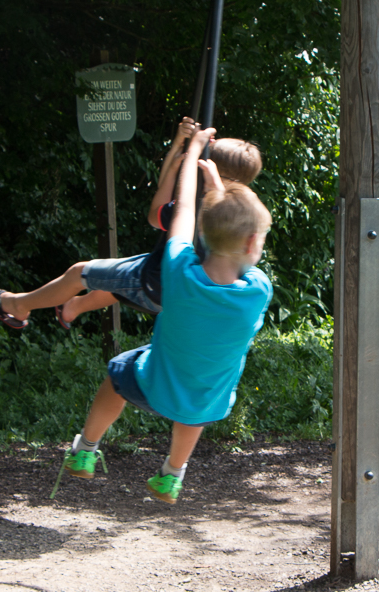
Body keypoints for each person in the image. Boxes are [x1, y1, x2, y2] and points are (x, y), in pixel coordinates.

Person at [56, 126, 273, 503]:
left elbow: (185, 209)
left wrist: (193, 156)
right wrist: (222, 190)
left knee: (118, 374)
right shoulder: (258, 290)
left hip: (154, 383)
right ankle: (172, 475)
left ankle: (86, 450)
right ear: (253, 243)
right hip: (207, 399)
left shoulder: (179, 270)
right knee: (194, 413)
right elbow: (227, 244)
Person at [0, 117, 262, 329]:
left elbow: (155, 214)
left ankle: (17, 305)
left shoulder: (197, 207)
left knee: (81, 272)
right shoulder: (235, 213)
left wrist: (179, 162)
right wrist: (180, 151)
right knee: (119, 279)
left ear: (208, 165)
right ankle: (71, 309)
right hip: (181, 293)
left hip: (157, 283)